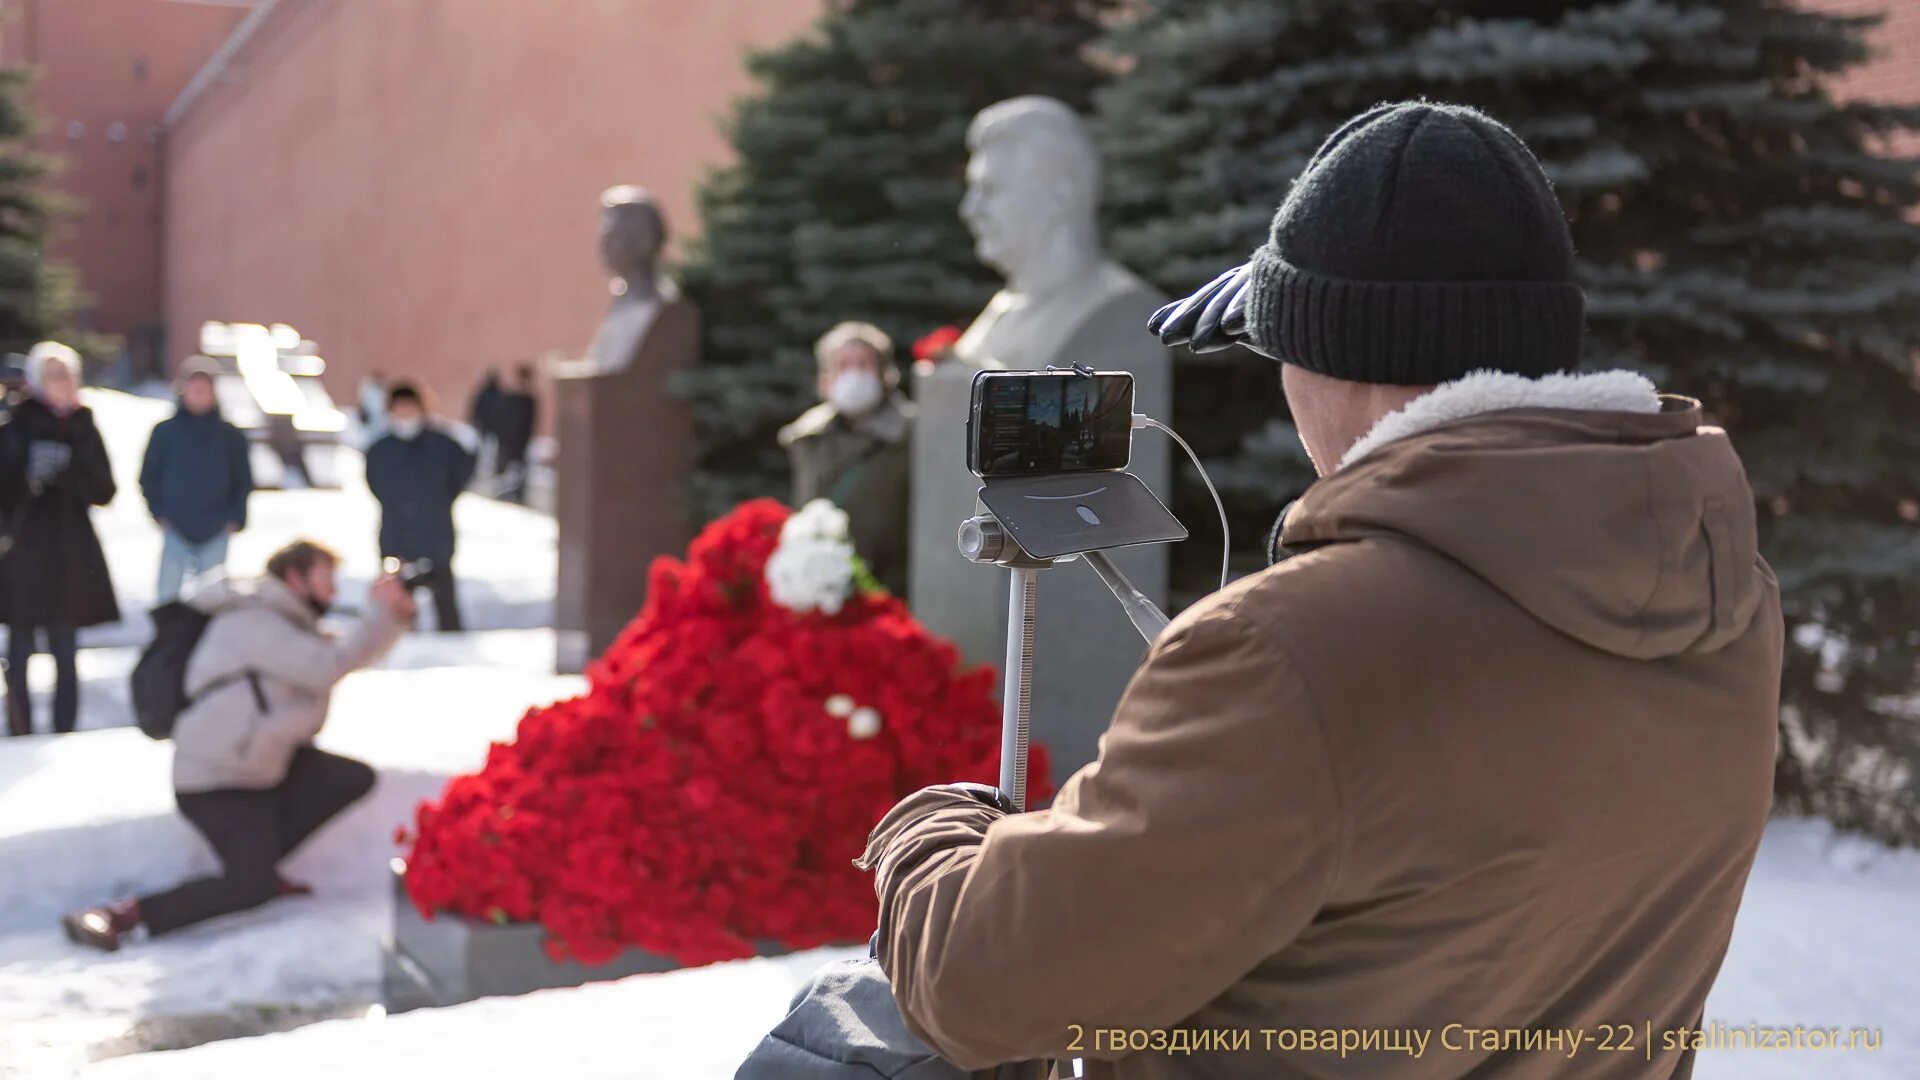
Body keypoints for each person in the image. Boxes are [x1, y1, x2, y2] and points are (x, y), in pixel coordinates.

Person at [855, 103, 1782, 1077]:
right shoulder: (1723, 591)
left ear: (1332, 364)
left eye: (1282, 345)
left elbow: (982, 989)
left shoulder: (1293, 654)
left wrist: (935, 829)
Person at [61, 540, 415, 950]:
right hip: (216, 779)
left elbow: (345, 654)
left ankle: (260, 864)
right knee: (249, 886)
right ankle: (123, 914)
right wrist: (381, 611)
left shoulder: (287, 622)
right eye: (325, 580)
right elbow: (326, 666)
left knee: (349, 778)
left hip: (260, 769)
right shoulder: (254, 620)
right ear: (294, 577)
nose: (333, 593)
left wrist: (394, 616)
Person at [0, 342, 119, 736]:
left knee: (64, 646)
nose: (61, 383)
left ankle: (65, 730)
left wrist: (66, 474)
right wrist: (28, 480)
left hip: (69, 553)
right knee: (19, 646)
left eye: (66, 375)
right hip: (22, 552)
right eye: (52, 375)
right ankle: (20, 727)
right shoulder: (15, 425)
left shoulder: (85, 425)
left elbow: (105, 490)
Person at [777, 323, 915, 595]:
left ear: (885, 375)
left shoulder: (911, 433)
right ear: (825, 380)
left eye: (864, 364)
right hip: (820, 588)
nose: (853, 374)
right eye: (843, 365)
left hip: (892, 587)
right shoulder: (807, 436)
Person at [141, 360, 254, 603]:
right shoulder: (165, 432)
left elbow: (242, 480)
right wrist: (158, 512)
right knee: (168, 596)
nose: (199, 395)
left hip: (217, 525)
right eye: (194, 389)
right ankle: (169, 640)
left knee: (212, 598)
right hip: (176, 524)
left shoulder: (229, 436)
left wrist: (235, 517)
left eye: (205, 389)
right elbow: (149, 476)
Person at [364, 382, 474, 631]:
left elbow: (461, 474)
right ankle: (401, 639)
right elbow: (374, 484)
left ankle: (451, 639)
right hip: (396, 531)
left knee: (443, 593)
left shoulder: (443, 445)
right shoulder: (380, 449)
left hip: (436, 531)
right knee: (399, 594)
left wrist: (439, 500)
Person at [492, 363, 538, 504]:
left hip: (519, 443)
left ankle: (516, 494)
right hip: (508, 442)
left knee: (518, 471)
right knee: (507, 470)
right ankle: (505, 493)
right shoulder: (512, 398)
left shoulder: (528, 399)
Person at [467, 368, 504, 482]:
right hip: (486, 428)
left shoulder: (498, 395)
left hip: (491, 428)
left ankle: (487, 473)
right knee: (483, 451)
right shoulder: (487, 394)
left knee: (489, 451)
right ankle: (480, 472)